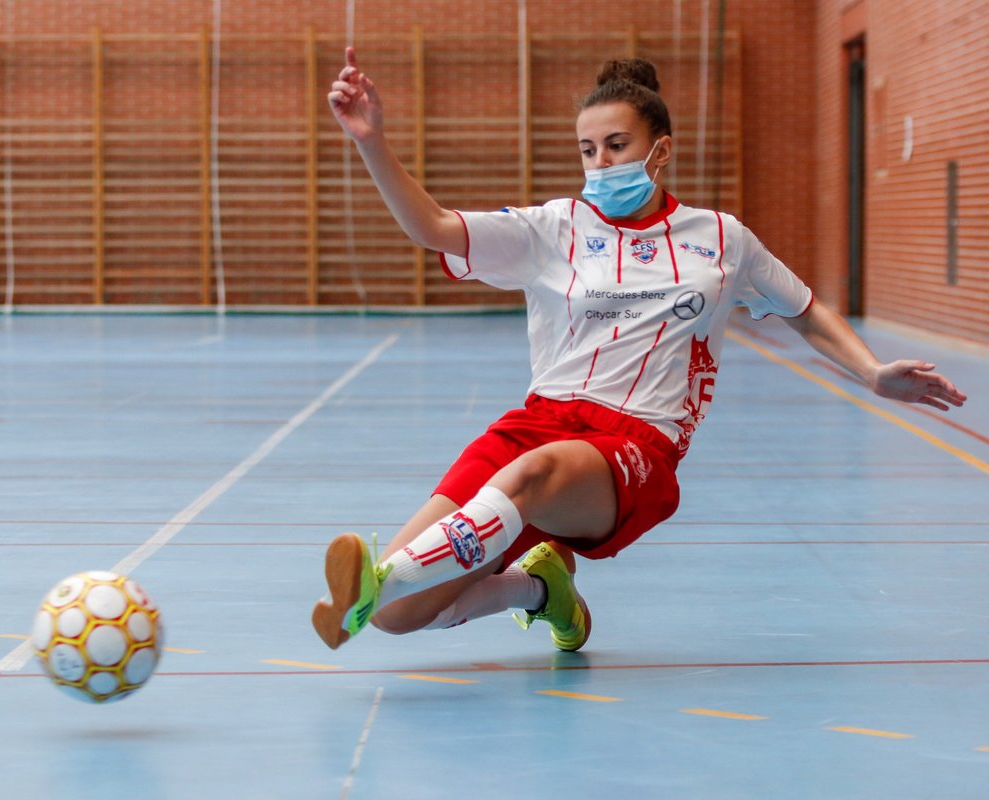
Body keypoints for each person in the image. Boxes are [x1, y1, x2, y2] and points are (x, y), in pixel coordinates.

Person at [311, 48, 967, 652]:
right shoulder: (551, 228)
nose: (601, 162)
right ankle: (541, 590)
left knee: (527, 481)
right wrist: (372, 142)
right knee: (401, 619)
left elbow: (805, 311)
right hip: (538, 422)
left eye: (617, 145)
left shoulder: (720, 238)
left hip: (635, 448)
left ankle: (376, 581)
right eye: (588, 149)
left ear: (660, 150)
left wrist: (873, 373)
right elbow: (433, 228)